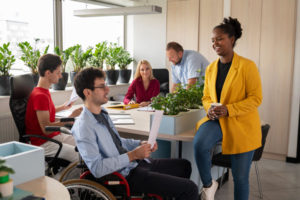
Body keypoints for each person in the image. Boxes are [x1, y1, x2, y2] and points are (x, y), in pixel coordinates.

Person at [72, 67, 199, 200]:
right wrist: (132, 155)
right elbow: (97, 168)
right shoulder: (84, 127)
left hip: (134, 164)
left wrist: (139, 143)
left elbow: (117, 142)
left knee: (184, 165)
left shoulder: (102, 113)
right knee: (190, 189)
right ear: (87, 92)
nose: (107, 89)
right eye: (102, 86)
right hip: (124, 176)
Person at [193, 17, 263, 200]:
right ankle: (209, 184)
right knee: (200, 144)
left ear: (232, 39)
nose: (215, 43)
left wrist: (229, 109)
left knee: (240, 179)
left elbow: (256, 98)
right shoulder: (210, 69)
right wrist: (209, 108)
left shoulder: (247, 66)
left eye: (219, 39)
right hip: (217, 120)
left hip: (241, 124)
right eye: (213, 40)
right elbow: (206, 97)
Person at [25, 54, 82, 163]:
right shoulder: (40, 96)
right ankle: (59, 180)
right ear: (48, 73)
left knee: (85, 144)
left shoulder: (42, 91)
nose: (60, 76)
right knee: (80, 157)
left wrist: (63, 107)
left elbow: (46, 111)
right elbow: (46, 129)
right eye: (58, 73)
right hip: (43, 143)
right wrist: (70, 118)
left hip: (53, 136)